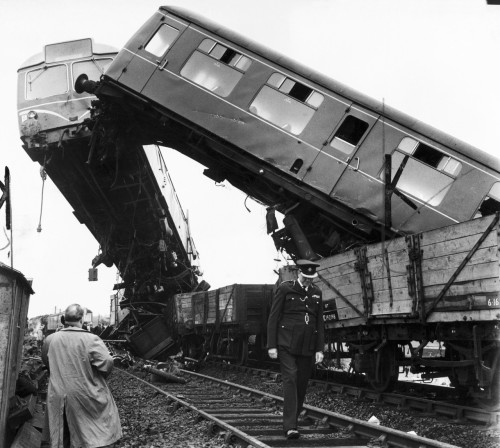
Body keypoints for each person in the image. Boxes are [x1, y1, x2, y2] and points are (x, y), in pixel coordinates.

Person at [42, 303, 122, 448]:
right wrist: (99, 376)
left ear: (63, 319)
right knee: (90, 431)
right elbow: (107, 362)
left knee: (63, 432)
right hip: (84, 393)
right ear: (82, 320)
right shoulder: (91, 339)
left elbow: (46, 362)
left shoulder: (50, 339)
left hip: (58, 393)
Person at [267, 259, 325, 440]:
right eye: (306, 277)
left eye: (311, 278)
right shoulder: (285, 288)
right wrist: (271, 345)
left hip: (307, 345)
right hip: (286, 344)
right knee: (290, 378)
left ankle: (294, 416)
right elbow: (273, 318)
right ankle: (290, 426)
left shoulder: (317, 293)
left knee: (301, 383)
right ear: (299, 273)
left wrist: (319, 349)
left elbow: (320, 323)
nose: (308, 281)